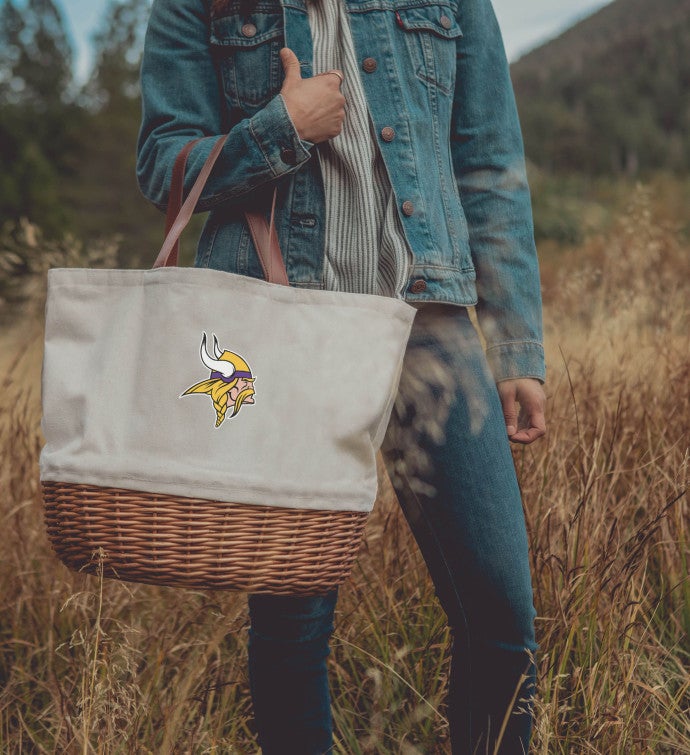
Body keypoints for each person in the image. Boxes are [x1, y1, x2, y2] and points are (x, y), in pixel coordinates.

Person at [137, 0, 547, 752]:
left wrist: (517, 344)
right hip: (281, 331)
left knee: (501, 613)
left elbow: (488, 163)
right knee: (293, 623)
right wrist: (278, 130)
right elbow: (162, 161)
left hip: (430, 327)